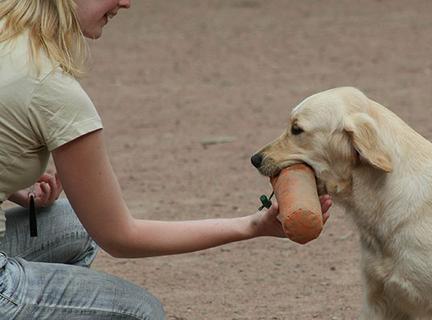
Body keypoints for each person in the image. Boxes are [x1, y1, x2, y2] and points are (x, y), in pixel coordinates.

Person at [0, 0, 333, 319]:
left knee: (76, 226)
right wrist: (252, 225)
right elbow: (120, 237)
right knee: (139, 311)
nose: (127, 2)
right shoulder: (52, 90)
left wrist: (15, 187)